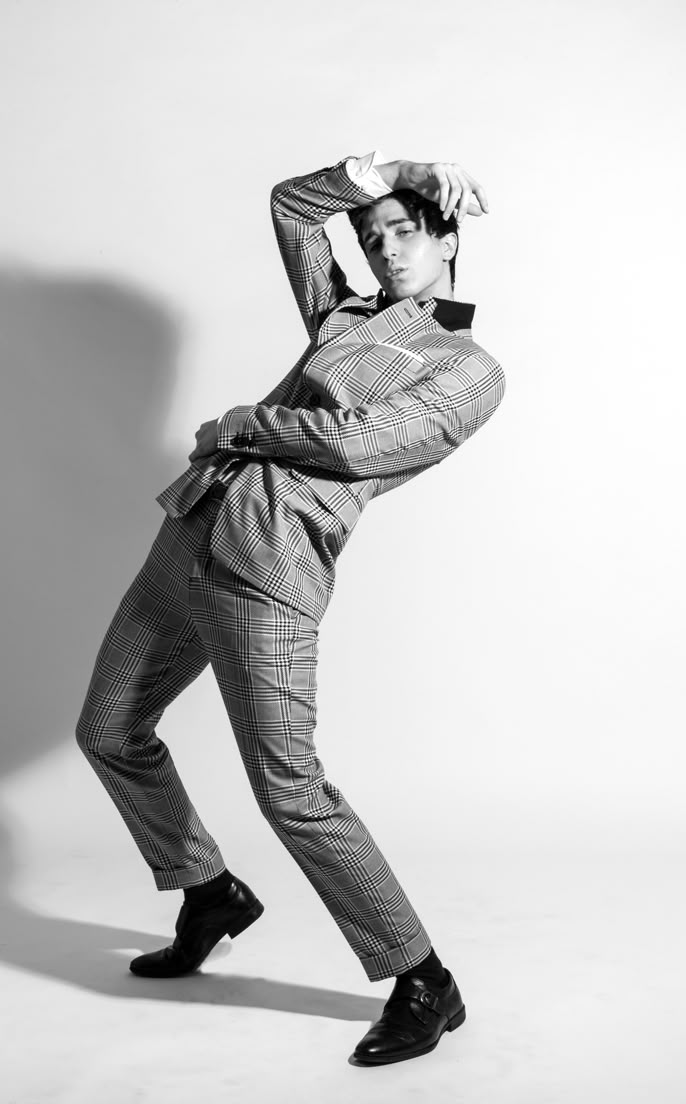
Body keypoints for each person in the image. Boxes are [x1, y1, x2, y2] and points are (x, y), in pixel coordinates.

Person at [76, 150, 506, 1066]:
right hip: (188, 536)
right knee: (109, 727)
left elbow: (356, 446)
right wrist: (392, 167)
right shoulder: (343, 316)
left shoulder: (469, 368)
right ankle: (206, 889)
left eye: (405, 230)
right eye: (373, 233)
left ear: (448, 237)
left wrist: (241, 423)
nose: (385, 248)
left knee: (290, 786)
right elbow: (293, 206)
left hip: (270, 568)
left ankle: (424, 979)